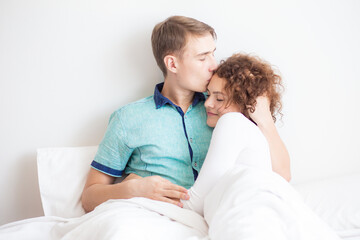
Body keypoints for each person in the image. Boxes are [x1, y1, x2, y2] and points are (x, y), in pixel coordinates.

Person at [81, 15, 218, 212]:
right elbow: (88, 198)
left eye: (213, 54)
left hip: (217, 217)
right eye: (203, 57)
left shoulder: (223, 107)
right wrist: (132, 189)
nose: (214, 65)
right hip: (152, 219)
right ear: (172, 64)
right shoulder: (127, 118)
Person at [181, 53, 291, 215]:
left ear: (246, 103)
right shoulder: (251, 133)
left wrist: (143, 196)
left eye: (219, 99)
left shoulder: (232, 122)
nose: (207, 103)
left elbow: (195, 204)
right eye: (208, 95)